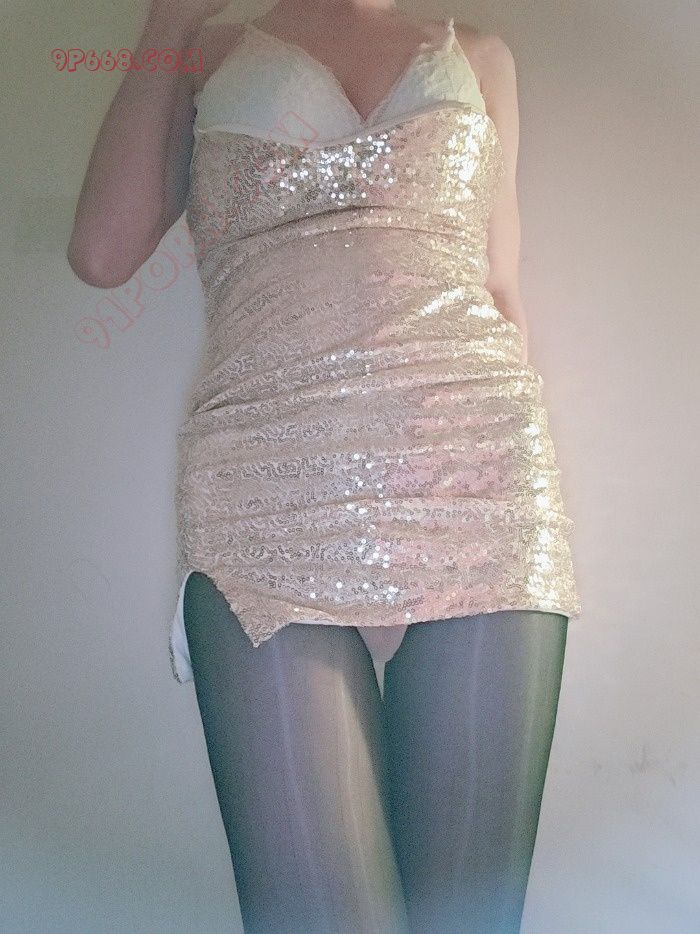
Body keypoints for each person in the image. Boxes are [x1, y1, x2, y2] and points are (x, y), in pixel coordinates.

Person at [68, 1, 581, 931]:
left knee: (468, 919)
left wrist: (516, 478)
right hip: (269, 485)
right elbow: (102, 253)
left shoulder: (481, 57)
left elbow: (499, 284)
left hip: (479, 479)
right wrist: (170, 16)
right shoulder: (207, 45)